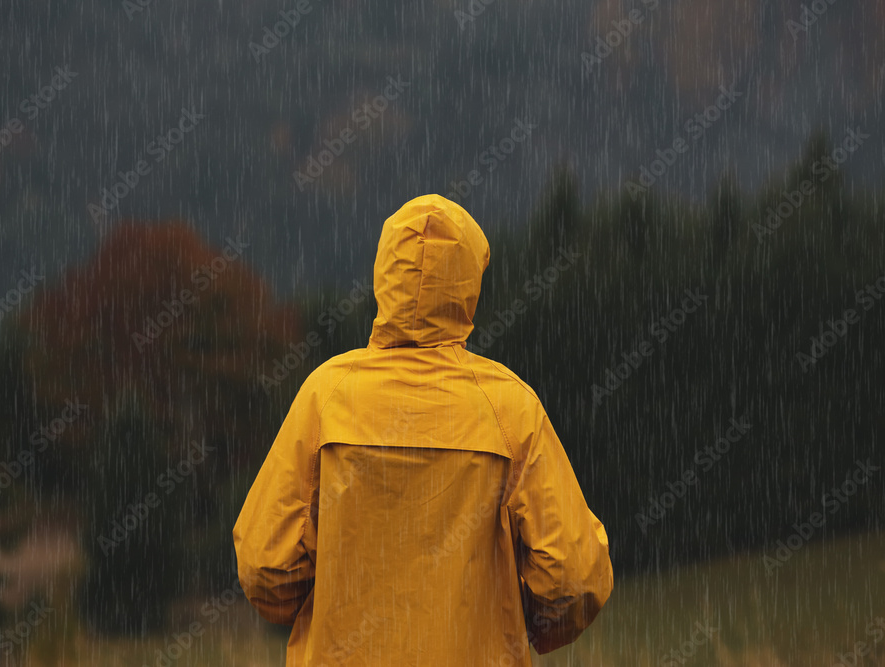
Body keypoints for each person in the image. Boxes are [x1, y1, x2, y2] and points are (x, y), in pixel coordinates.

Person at [233, 194, 612, 666]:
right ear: (469, 281)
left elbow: (265, 565)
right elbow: (572, 580)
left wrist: (311, 604)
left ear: (383, 274)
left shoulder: (325, 398)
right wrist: (529, 625)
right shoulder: (509, 408)